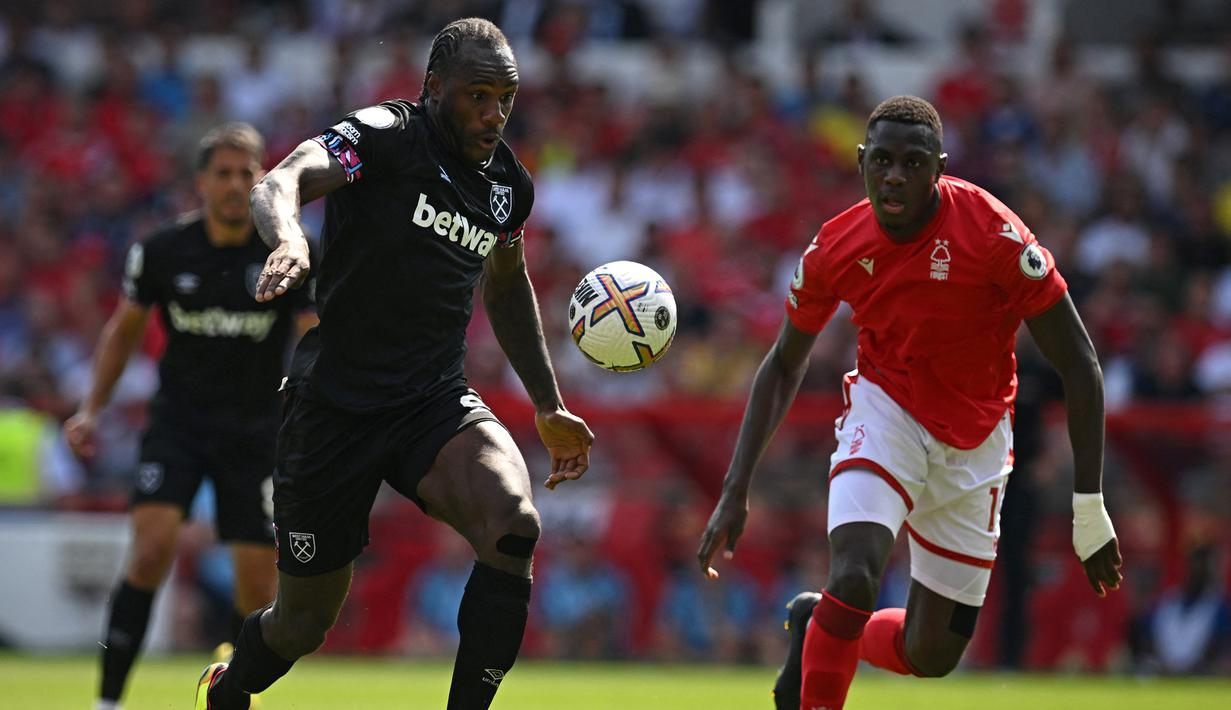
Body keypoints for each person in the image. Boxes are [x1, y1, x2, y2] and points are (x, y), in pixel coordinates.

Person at [195, 18, 594, 710]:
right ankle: (229, 687)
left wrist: (548, 402)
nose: (493, 114)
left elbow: (504, 285)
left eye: (505, 97)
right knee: (302, 624)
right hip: (335, 406)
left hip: (430, 402)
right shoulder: (385, 135)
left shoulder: (506, 186)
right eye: (476, 96)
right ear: (434, 87)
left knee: (512, 523)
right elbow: (279, 181)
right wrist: (289, 239)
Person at [697, 95, 1123, 710]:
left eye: (914, 163)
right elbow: (784, 361)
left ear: (939, 167)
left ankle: (821, 624)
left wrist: (1090, 508)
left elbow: (1079, 362)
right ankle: (831, 637)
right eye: (884, 161)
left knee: (932, 653)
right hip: (886, 412)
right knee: (854, 576)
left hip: (976, 442)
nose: (896, 176)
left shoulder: (993, 232)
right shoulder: (835, 246)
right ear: (862, 161)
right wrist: (737, 487)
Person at [63, 122, 314, 710]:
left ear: (262, 181)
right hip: (178, 424)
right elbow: (123, 332)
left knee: (256, 588)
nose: (233, 184)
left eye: (246, 173)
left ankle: (226, 693)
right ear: (201, 182)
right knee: (150, 551)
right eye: (222, 173)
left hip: (255, 433)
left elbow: (313, 338)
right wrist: (90, 410)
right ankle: (108, 701)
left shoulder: (286, 253)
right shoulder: (162, 251)